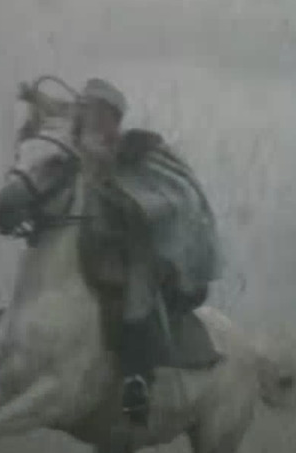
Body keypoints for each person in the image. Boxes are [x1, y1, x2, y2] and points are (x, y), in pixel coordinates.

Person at [74, 78, 223, 426]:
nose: (91, 118)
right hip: (93, 244)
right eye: (87, 111)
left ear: (113, 117)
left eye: (98, 112)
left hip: (138, 249)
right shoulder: (82, 146)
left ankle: (137, 382)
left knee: (136, 303)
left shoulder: (136, 150)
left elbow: (166, 201)